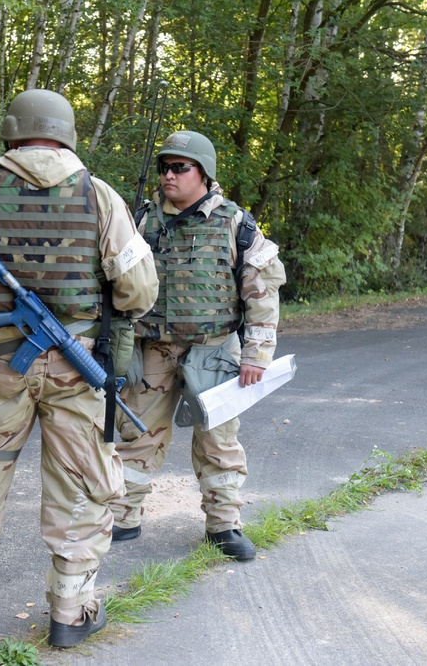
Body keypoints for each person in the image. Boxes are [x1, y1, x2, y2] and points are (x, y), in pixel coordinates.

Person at [0, 89, 158, 647]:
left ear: (12, 132)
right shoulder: (100, 197)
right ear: (66, 132)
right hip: (77, 361)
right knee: (81, 479)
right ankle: (71, 610)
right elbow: (139, 291)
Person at [111, 130, 286, 561]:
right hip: (152, 348)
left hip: (214, 349)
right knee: (136, 435)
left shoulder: (234, 223)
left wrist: (256, 355)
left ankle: (224, 525)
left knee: (218, 441)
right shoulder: (141, 221)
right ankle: (123, 516)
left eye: (180, 167)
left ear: (203, 174)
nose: (169, 175)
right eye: (164, 167)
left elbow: (261, 291)